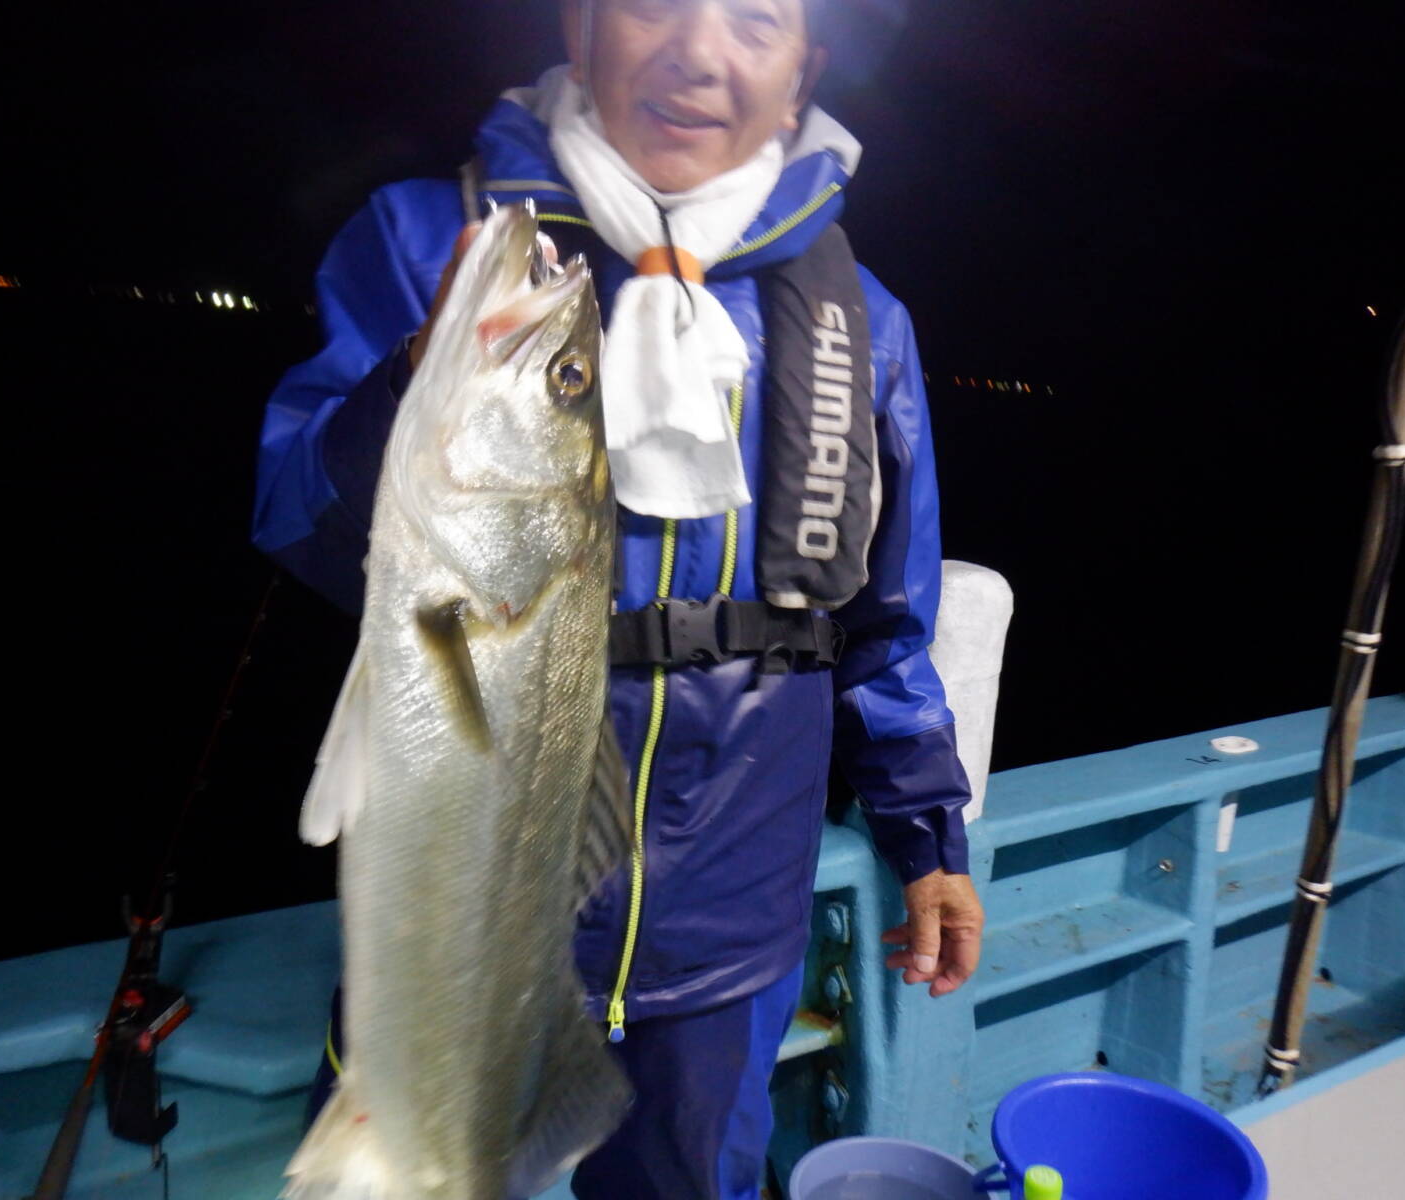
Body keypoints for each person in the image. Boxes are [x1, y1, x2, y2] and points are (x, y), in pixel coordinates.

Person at [253, 2, 985, 1196]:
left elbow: (882, 622)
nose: (701, 54)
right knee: (395, 1164)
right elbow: (296, 520)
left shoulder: (862, 318)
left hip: (730, 924)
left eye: (756, 21)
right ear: (580, 26)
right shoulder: (433, 239)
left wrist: (927, 836)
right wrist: (419, 377)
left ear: (800, 76)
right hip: (461, 897)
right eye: (656, 1)